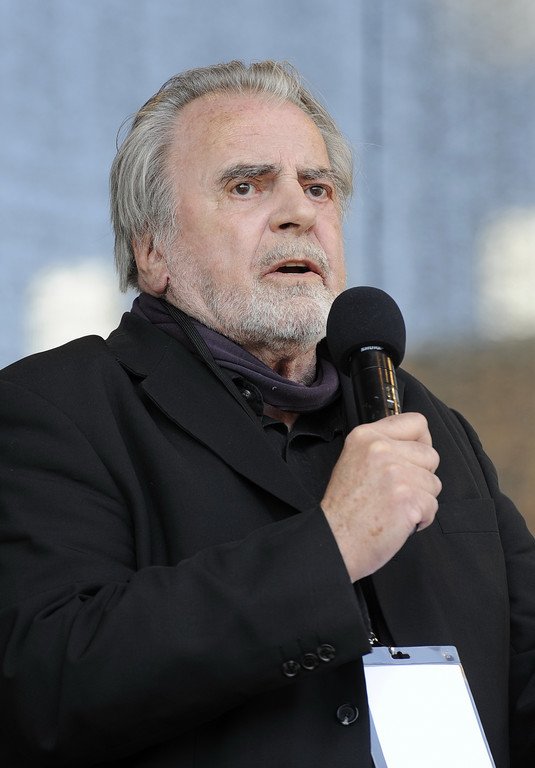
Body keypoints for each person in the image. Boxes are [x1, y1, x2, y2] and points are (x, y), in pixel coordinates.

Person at [0, 60, 533, 768]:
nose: (299, 213)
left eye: (317, 188)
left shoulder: (425, 421)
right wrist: (331, 546)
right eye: (246, 186)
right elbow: (45, 683)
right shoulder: (55, 407)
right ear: (151, 248)